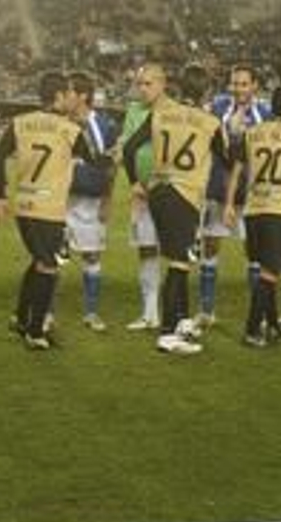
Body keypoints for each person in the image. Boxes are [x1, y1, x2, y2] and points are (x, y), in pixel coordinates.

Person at [120, 63, 229, 355]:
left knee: (179, 258)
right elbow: (227, 158)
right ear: (207, 90)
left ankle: (180, 322)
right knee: (180, 262)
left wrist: (134, 182)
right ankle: (168, 334)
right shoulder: (210, 122)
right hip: (185, 193)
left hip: (158, 191)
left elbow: (129, 149)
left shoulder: (160, 113)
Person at [0, 72, 92, 350]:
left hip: (24, 204)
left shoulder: (20, 122)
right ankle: (35, 331)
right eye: (68, 93)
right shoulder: (69, 129)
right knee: (49, 266)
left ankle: (20, 317)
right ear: (59, 96)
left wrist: (0, 194)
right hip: (49, 207)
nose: (72, 98)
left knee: (39, 260)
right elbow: (94, 159)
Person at [225, 83, 281, 346]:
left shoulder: (252, 133)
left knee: (265, 268)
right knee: (270, 273)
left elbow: (237, 170)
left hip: (253, 209)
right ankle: (252, 330)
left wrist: (229, 203)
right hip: (279, 210)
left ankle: (272, 324)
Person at [198, 64, 269, 328]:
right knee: (210, 246)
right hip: (219, 188)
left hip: (251, 194)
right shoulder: (218, 108)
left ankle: (257, 314)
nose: (238, 89)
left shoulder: (266, 114)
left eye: (243, 84)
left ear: (254, 86)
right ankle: (206, 311)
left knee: (254, 252)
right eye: (235, 83)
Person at [64, 72, 118, 333]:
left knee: (92, 255)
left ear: (82, 96)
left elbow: (111, 167)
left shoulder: (104, 125)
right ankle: (46, 314)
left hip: (91, 201)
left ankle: (91, 312)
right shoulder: (59, 122)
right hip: (61, 201)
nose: (64, 97)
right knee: (52, 257)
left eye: (69, 92)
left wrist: (107, 199)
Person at [118, 64, 164, 332]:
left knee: (176, 252)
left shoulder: (172, 112)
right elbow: (127, 147)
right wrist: (134, 182)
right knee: (146, 248)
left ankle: (178, 315)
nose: (143, 89)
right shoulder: (133, 111)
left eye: (148, 83)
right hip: (142, 193)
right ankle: (150, 313)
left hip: (169, 190)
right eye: (140, 84)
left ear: (161, 84)